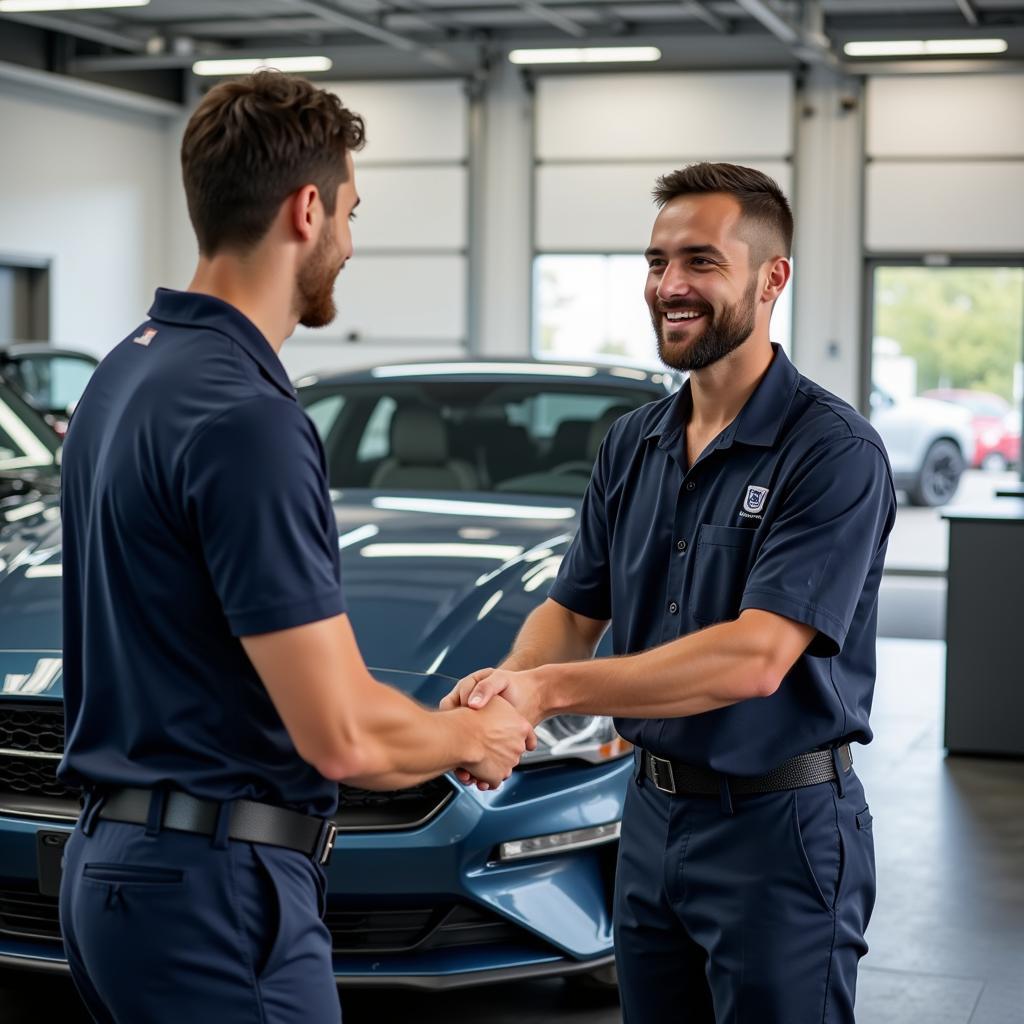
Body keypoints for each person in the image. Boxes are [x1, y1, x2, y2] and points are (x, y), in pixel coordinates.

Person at [57, 71, 534, 1024]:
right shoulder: (249, 417)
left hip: (115, 873)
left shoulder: (125, 373)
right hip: (217, 895)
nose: (351, 242)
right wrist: (471, 736)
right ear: (306, 209)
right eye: (351, 212)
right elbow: (342, 733)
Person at [443, 162, 896, 1023]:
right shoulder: (633, 443)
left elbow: (756, 657)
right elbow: (573, 612)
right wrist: (510, 692)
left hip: (780, 829)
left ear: (773, 278)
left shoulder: (833, 452)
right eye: (656, 263)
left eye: (699, 262)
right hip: (647, 820)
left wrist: (546, 690)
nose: (669, 287)